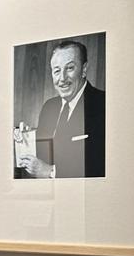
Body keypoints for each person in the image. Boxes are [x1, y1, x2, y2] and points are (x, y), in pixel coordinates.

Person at [17, 40, 105, 178]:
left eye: (70, 68)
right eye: (57, 71)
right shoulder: (49, 107)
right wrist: (23, 142)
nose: (62, 78)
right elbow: (40, 156)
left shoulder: (104, 104)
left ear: (84, 69)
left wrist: (50, 172)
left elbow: (102, 166)